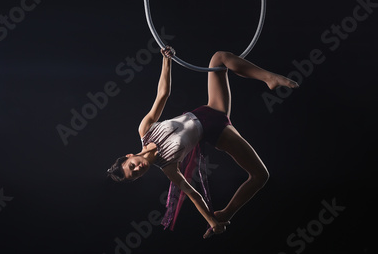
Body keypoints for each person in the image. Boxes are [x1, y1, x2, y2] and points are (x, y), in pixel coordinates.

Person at [107, 46, 298, 238]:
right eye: (135, 175)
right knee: (261, 176)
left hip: (211, 109)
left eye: (131, 166)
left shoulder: (145, 130)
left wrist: (166, 60)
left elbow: (162, 94)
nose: (138, 169)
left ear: (129, 156)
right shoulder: (168, 167)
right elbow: (194, 195)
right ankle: (227, 212)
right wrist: (213, 222)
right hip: (218, 132)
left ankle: (269, 78)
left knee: (219, 58)